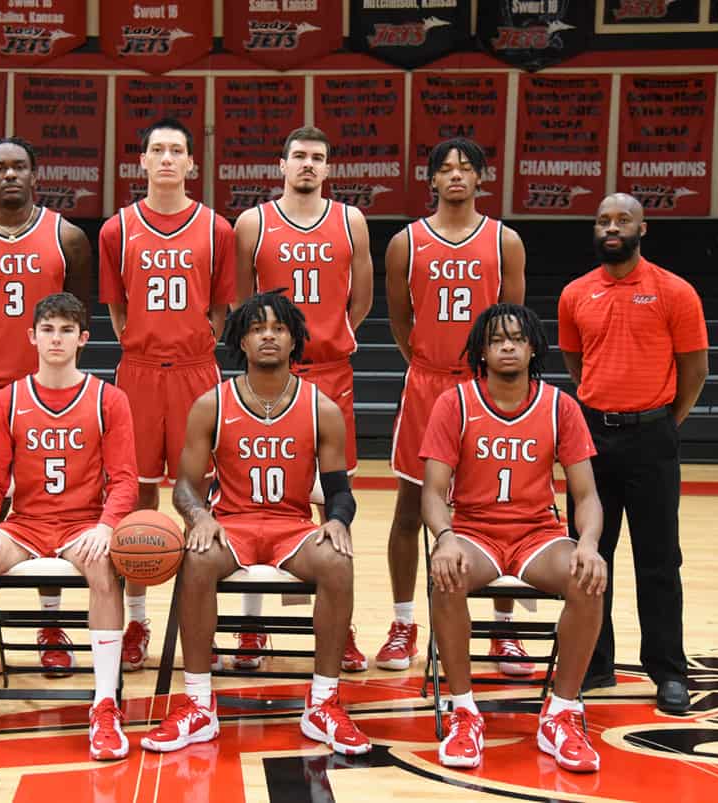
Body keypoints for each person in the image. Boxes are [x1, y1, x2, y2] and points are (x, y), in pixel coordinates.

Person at [141, 291, 370, 757]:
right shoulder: (212, 404)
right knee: (197, 559)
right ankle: (199, 704)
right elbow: (184, 486)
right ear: (240, 341)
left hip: (290, 525)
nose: (268, 336)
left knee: (338, 561)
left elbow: (338, 489)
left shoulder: (321, 408)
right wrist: (198, 515)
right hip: (232, 524)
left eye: (278, 329)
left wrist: (340, 521)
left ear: (295, 341)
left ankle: (323, 702)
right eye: (257, 329)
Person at [0, 292, 138, 760]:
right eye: (47, 330)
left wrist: (106, 526)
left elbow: (123, 481)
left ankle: (104, 703)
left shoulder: (109, 399)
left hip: (83, 524)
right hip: (26, 523)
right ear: (32, 336)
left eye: (65, 330)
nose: (55, 339)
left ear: (83, 338)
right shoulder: (9, 398)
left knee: (104, 568)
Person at [420, 303, 607, 772]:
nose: (507, 346)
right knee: (447, 574)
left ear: (532, 348)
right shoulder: (455, 402)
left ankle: (560, 715)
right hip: (473, 532)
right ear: (481, 350)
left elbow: (586, 495)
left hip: (536, 535)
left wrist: (587, 545)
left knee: (587, 578)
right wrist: (443, 537)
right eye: (497, 339)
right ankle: (464, 710)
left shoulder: (560, 405)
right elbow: (433, 492)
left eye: (517, 338)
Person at [0, 137, 93, 676]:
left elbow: (81, 308)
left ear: (36, 176)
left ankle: (51, 624)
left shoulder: (67, 237)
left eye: (20, 167)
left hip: (51, 395)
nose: (10, 175)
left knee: (49, 508)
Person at [379, 137, 528, 675]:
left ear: (481, 178)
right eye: (446, 169)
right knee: (410, 511)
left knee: (498, 510)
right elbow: (399, 318)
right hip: (426, 384)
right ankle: (402, 625)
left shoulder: (504, 241)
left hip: (485, 390)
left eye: (467, 168)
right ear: (432, 181)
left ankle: (502, 630)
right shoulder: (406, 242)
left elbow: (513, 320)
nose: (457, 176)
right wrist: (424, 361)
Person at [557, 193, 709, 714]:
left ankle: (668, 671)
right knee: (588, 555)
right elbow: (577, 365)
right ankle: (593, 665)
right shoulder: (575, 294)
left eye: (623, 220)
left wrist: (664, 421)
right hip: (592, 438)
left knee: (659, 561)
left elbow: (695, 371)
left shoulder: (675, 291)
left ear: (644, 229)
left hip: (653, 437)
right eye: (603, 220)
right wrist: (605, 415)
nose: (612, 227)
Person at [98, 117, 236, 672]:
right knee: (135, 496)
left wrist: (197, 347)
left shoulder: (216, 229)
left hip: (195, 372)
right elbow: (115, 307)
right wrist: (140, 344)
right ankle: (137, 619)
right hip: (137, 373)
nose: (167, 159)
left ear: (191, 164)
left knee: (200, 494)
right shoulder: (117, 229)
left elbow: (221, 307)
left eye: (177, 150)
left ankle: (206, 618)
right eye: (157, 149)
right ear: (142, 162)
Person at [233, 125, 373, 672]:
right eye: (299, 156)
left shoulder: (350, 221)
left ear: (329, 168)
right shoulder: (253, 223)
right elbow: (244, 305)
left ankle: (341, 629)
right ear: (282, 165)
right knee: (251, 499)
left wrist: (326, 335)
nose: (308, 165)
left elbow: (359, 300)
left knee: (332, 506)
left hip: (331, 374)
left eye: (318, 156)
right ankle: (251, 626)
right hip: (269, 376)